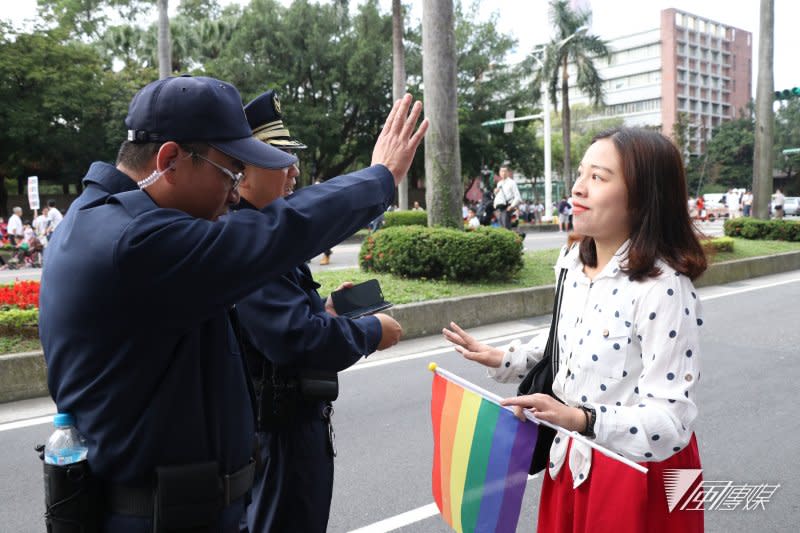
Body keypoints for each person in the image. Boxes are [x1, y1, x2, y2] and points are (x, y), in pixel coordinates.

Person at [39, 75, 427, 533]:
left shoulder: (107, 222)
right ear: (170, 160)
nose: (235, 189)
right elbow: (276, 233)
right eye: (231, 171)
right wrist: (380, 178)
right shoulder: (134, 240)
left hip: (183, 509)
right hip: (162, 517)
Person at [443, 127, 706, 533]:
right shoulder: (571, 263)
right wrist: (506, 358)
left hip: (642, 477)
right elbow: (569, 341)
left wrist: (580, 418)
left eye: (599, 178)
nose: (578, 188)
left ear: (642, 198)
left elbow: (672, 422)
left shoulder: (665, 288)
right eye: (581, 174)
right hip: (571, 459)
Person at [237, 88, 403, 533]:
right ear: (240, 171)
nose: (292, 170)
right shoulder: (244, 239)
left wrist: (325, 308)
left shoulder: (265, 232)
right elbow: (296, 339)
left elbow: (287, 317)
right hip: (275, 434)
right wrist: (370, 331)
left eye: (292, 156)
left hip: (292, 425)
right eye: (277, 157)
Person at [493, 161, 522, 230]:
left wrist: (511, 206)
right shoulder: (499, 183)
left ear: (508, 173)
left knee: (506, 226)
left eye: (505, 171)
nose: (503, 173)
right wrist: (495, 193)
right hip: (500, 208)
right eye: (502, 171)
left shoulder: (512, 183)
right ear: (499, 173)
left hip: (508, 207)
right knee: (501, 227)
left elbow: (518, 197)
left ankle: (510, 239)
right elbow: (499, 196)